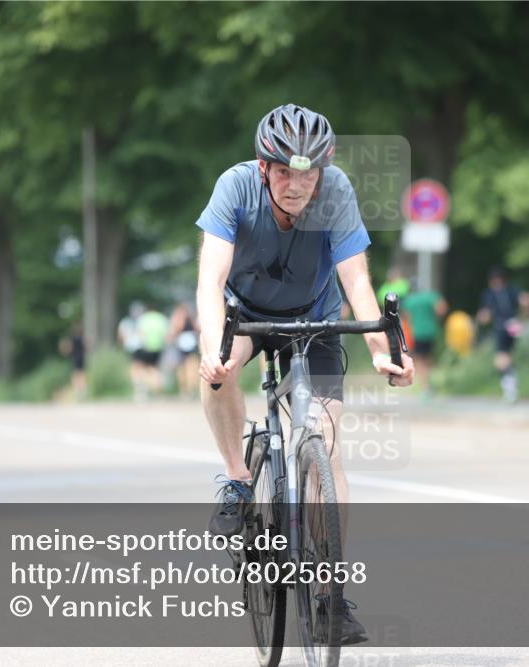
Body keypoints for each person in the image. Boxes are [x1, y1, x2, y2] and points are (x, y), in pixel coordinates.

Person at [196, 104, 414, 644]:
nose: (298, 185)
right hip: (243, 312)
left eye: (309, 172)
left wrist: (382, 350)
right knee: (218, 374)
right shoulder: (235, 188)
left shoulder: (335, 192)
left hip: (314, 320)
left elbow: (357, 282)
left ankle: (329, 596)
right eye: (286, 172)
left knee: (326, 450)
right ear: (263, 166)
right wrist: (211, 349)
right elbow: (209, 279)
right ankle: (237, 480)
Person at [477, 266, 529, 402]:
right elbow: (526, 300)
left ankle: (510, 385)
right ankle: (510, 382)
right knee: (506, 355)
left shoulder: (493, 293)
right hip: (513, 325)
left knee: (501, 357)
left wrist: (482, 318)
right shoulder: (511, 290)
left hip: (504, 326)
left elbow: (486, 315)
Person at [401, 284, 449, 392]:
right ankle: (430, 381)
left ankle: (425, 386)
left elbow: (406, 317)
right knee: (430, 358)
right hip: (431, 331)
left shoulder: (409, 301)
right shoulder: (430, 296)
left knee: (420, 360)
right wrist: (434, 318)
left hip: (417, 333)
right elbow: (442, 309)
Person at [165, 302, 200, 398]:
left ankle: (186, 389)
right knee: (190, 366)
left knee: (184, 368)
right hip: (190, 341)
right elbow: (197, 329)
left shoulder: (179, 316)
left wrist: (170, 337)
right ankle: (190, 388)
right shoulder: (190, 316)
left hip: (183, 342)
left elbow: (176, 329)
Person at [118, 301, 150, 401]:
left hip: (133, 347)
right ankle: (140, 388)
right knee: (139, 368)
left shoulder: (126, 322)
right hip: (138, 347)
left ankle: (139, 388)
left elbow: (121, 336)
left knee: (135, 368)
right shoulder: (142, 321)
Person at [136, 306, 169, 394]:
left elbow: (141, 333)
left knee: (144, 368)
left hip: (147, 347)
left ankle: (145, 389)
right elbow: (166, 334)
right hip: (158, 347)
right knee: (155, 368)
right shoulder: (161, 318)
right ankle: (158, 388)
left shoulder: (144, 318)